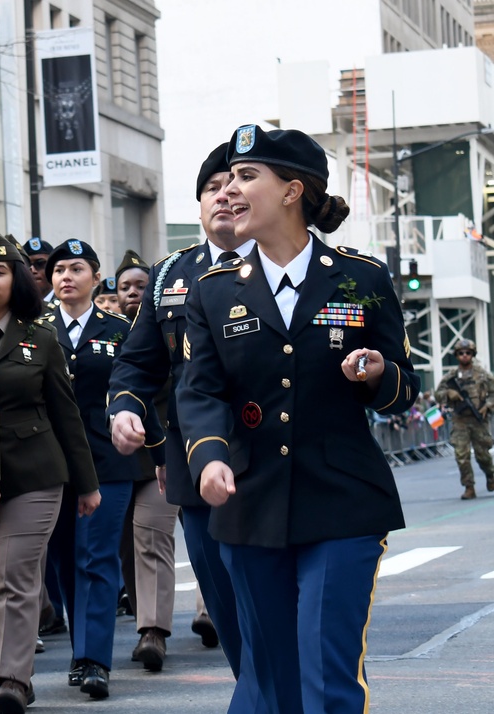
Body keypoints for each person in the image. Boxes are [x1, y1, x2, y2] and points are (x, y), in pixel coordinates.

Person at [177, 124, 419, 713]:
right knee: (271, 676)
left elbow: (404, 391)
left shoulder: (362, 277)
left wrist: (378, 373)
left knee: (325, 671)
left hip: (343, 499)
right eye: (227, 178)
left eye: (245, 176)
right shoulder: (211, 292)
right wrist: (208, 456)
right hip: (249, 502)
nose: (229, 190)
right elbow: (199, 389)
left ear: (291, 192)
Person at [108, 143, 256, 691]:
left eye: (236, 184)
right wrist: (124, 408)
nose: (225, 195)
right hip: (194, 464)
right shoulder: (171, 272)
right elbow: (137, 364)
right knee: (223, 597)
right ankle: (256, 690)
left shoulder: (283, 265)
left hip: (269, 455)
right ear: (198, 204)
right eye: (212, 188)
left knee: (272, 597)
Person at [0, 230, 100, 714]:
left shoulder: (40, 336)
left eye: (0, 271)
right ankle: (15, 659)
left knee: (15, 572)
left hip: (36, 471)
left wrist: (86, 483)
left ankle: (13, 677)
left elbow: (66, 413)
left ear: (15, 280)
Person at [43, 239, 159, 700]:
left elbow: (141, 384)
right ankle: (80, 651)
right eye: (57, 271)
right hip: (51, 461)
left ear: (95, 276)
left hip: (108, 460)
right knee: (65, 558)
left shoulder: (119, 328)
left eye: (76, 269)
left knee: (97, 555)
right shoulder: (36, 327)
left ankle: (94, 659)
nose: (66, 277)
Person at [108, 248, 181, 673]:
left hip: (173, 445)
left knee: (155, 535)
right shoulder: (110, 332)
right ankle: (146, 622)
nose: (133, 293)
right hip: (125, 454)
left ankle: (159, 628)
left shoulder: (169, 323)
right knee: (128, 545)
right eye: (125, 287)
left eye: (140, 285)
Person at [435, 338, 494, 499]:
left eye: (468, 353)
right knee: (461, 455)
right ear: (456, 355)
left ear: (472, 354)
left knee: (483, 454)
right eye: (461, 353)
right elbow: (438, 394)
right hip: (460, 419)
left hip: (478, 419)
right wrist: (449, 393)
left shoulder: (482, 374)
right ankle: (469, 486)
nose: (464, 356)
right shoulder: (451, 376)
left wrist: (487, 405)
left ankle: (491, 475)